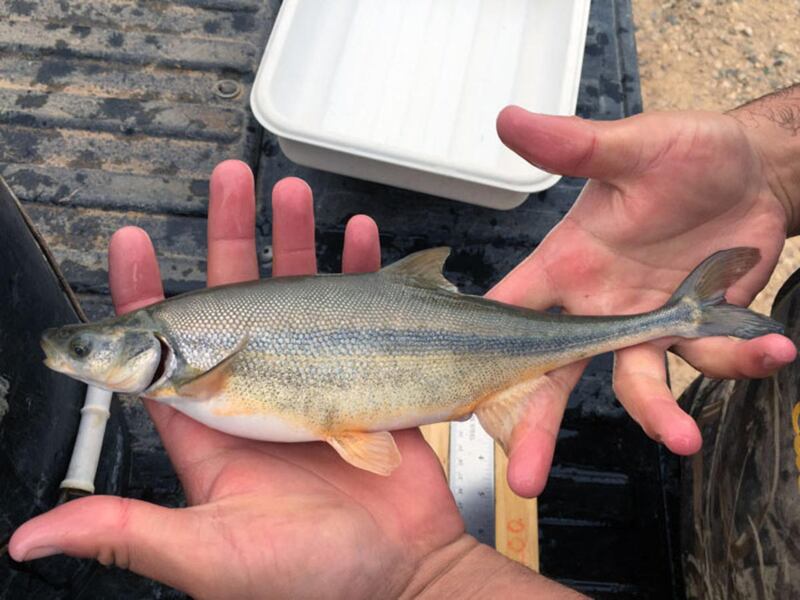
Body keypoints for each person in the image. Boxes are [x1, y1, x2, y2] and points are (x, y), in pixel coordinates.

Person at [9, 84, 799, 598]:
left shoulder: (188, 359)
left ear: (144, 347)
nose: (80, 360)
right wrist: (767, 165)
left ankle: (679, 315)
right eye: (89, 351)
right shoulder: (185, 358)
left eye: (87, 352)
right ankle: (678, 315)